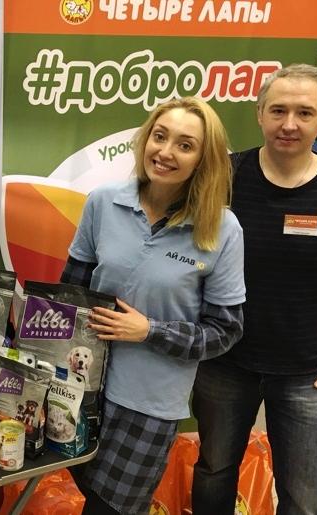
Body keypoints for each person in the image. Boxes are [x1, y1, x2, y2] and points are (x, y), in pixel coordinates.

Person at [192, 64, 317, 515]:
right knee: (214, 472)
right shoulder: (223, 179)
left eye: (304, 112)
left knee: (305, 497)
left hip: (309, 374)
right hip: (224, 364)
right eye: (278, 110)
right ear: (260, 113)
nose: (289, 124)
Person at [62, 97, 246, 515]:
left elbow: (225, 331)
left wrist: (149, 330)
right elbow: (70, 292)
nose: (165, 152)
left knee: (111, 509)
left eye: (185, 145)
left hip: (147, 404)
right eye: (159, 136)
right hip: (81, 386)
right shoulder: (103, 202)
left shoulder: (222, 228)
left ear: (204, 159)